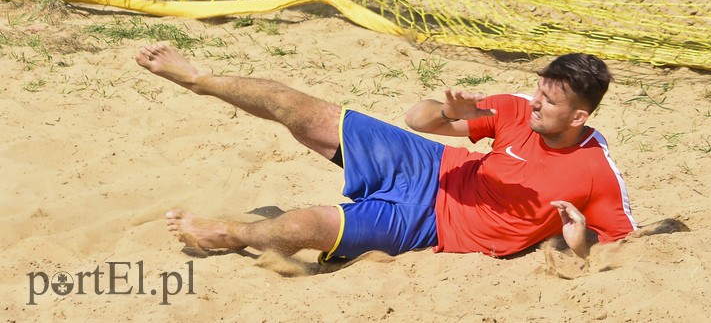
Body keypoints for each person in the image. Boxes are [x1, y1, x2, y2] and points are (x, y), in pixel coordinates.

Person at [135, 43, 636, 264]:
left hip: (434, 225)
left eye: (550, 102)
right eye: (538, 92)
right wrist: (446, 112)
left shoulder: (596, 173)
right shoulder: (514, 109)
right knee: (300, 110)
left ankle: (229, 235)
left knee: (301, 226)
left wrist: (579, 242)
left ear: (579, 117)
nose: (536, 104)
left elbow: (623, 247)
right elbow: (416, 122)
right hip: (433, 165)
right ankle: (199, 80)